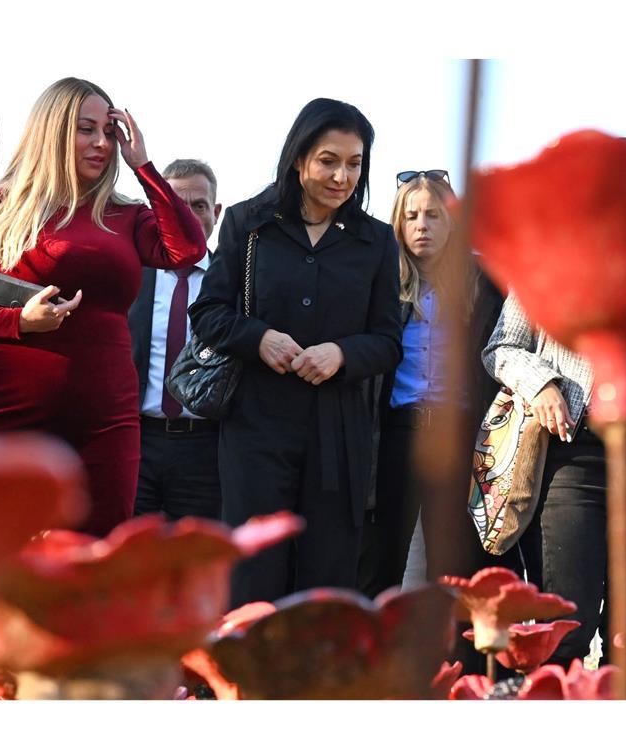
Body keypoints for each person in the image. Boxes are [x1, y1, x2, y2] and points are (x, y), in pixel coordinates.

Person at [0, 77, 206, 537]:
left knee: (100, 553)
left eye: (108, 131)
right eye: (85, 129)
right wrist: (18, 320)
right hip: (7, 407)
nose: (101, 142)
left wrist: (144, 166)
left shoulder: (127, 215)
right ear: (53, 132)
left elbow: (187, 250)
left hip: (106, 414)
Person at [189, 98, 402, 608]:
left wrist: (342, 354)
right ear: (299, 158)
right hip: (255, 428)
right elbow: (208, 312)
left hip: (338, 435)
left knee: (325, 580)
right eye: (329, 160)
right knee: (252, 575)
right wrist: (258, 338)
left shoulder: (376, 241)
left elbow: (389, 340)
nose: (342, 176)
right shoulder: (248, 223)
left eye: (355, 164)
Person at [482, 294, 626, 664]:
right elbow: (501, 347)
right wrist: (540, 384)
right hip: (573, 452)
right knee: (568, 627)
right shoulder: (548, 258)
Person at [357, 170, 510, 599]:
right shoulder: (381, 284)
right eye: (412, 216)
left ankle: (459, 664)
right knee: (382, 556)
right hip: (397, 432)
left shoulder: (482, 284)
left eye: (434, 215)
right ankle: (378, 656)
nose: (421, 225)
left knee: (456, 563)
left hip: (461, 433)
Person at [128, 159, 224, 521]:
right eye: (175, 206)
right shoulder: (130, 278)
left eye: (198, 206)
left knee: (194, 569)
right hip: (137, 442)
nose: (187, 217)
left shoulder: (234, 284)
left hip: (206, 448)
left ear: (215, 212)